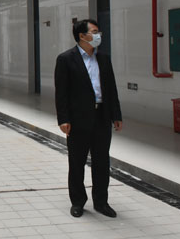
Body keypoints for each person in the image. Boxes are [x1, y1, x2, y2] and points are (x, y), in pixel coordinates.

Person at [54, 19, 123, 218]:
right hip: (78, 119)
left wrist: (116, 115)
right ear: (82, 36)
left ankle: (101, 202)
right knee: (77, 162)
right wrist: (63, 119)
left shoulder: (104, 59)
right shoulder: (66, 59)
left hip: (102, 116)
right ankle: (78, 202)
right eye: (94, 31)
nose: (98, 35)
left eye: (98, 31)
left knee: (102, 161)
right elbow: (61, 93)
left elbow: (111, 89)